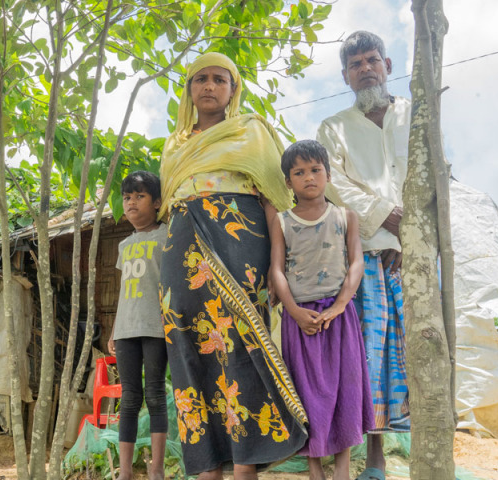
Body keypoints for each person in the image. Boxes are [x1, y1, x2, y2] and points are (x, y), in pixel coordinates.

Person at [158, 51, 308, 480]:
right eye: (200, 79)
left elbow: (276, 202)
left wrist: (277, 270)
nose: (209, 86)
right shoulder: (174, 144)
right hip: (181, 250)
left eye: (219, 79)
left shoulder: (253, 132)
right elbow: (169, 203)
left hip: (241, 243)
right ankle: (207, 470)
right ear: (189, 89)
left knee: (241, 346)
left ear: (233, 88)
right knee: (189, 351)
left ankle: (245, 468)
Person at [317, 31, 411, 480]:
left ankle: (427, 444)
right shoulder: (332, 128)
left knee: (420, 349)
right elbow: (333, 184)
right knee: (369, 356)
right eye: (355, 64)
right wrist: (386, 219)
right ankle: (373, 458)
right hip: (365, 252)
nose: (365, 69)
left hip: (414, 253)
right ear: (345, 75)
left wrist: (409, 238)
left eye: (372, 60)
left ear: (388, 65)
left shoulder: (416, 116)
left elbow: (432, 176)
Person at [268, 140, 374, 480]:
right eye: (299, 172)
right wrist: (294, 312)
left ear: (328, 174)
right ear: (288, 182)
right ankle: (315, 469)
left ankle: (342, 469)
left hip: (340, 318)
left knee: (346, 387)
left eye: (315, 170)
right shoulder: (282, 222)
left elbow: (356, 261)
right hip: (300, 320)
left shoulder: (346, 217)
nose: (308, 177)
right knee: (305, 391)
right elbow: (277, 270)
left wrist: (341, 304)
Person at [106, 171, 168, 480]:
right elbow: (123, 291)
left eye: (139, 196)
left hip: (157, 326)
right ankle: (126, 472)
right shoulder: (124, 245)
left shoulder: (167, 235)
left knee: (155, 395)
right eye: (127, 197)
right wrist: (115, 329)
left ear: (157, 202)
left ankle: (156, 470)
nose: (131, 202)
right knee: (129, 398)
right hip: (127, 329)